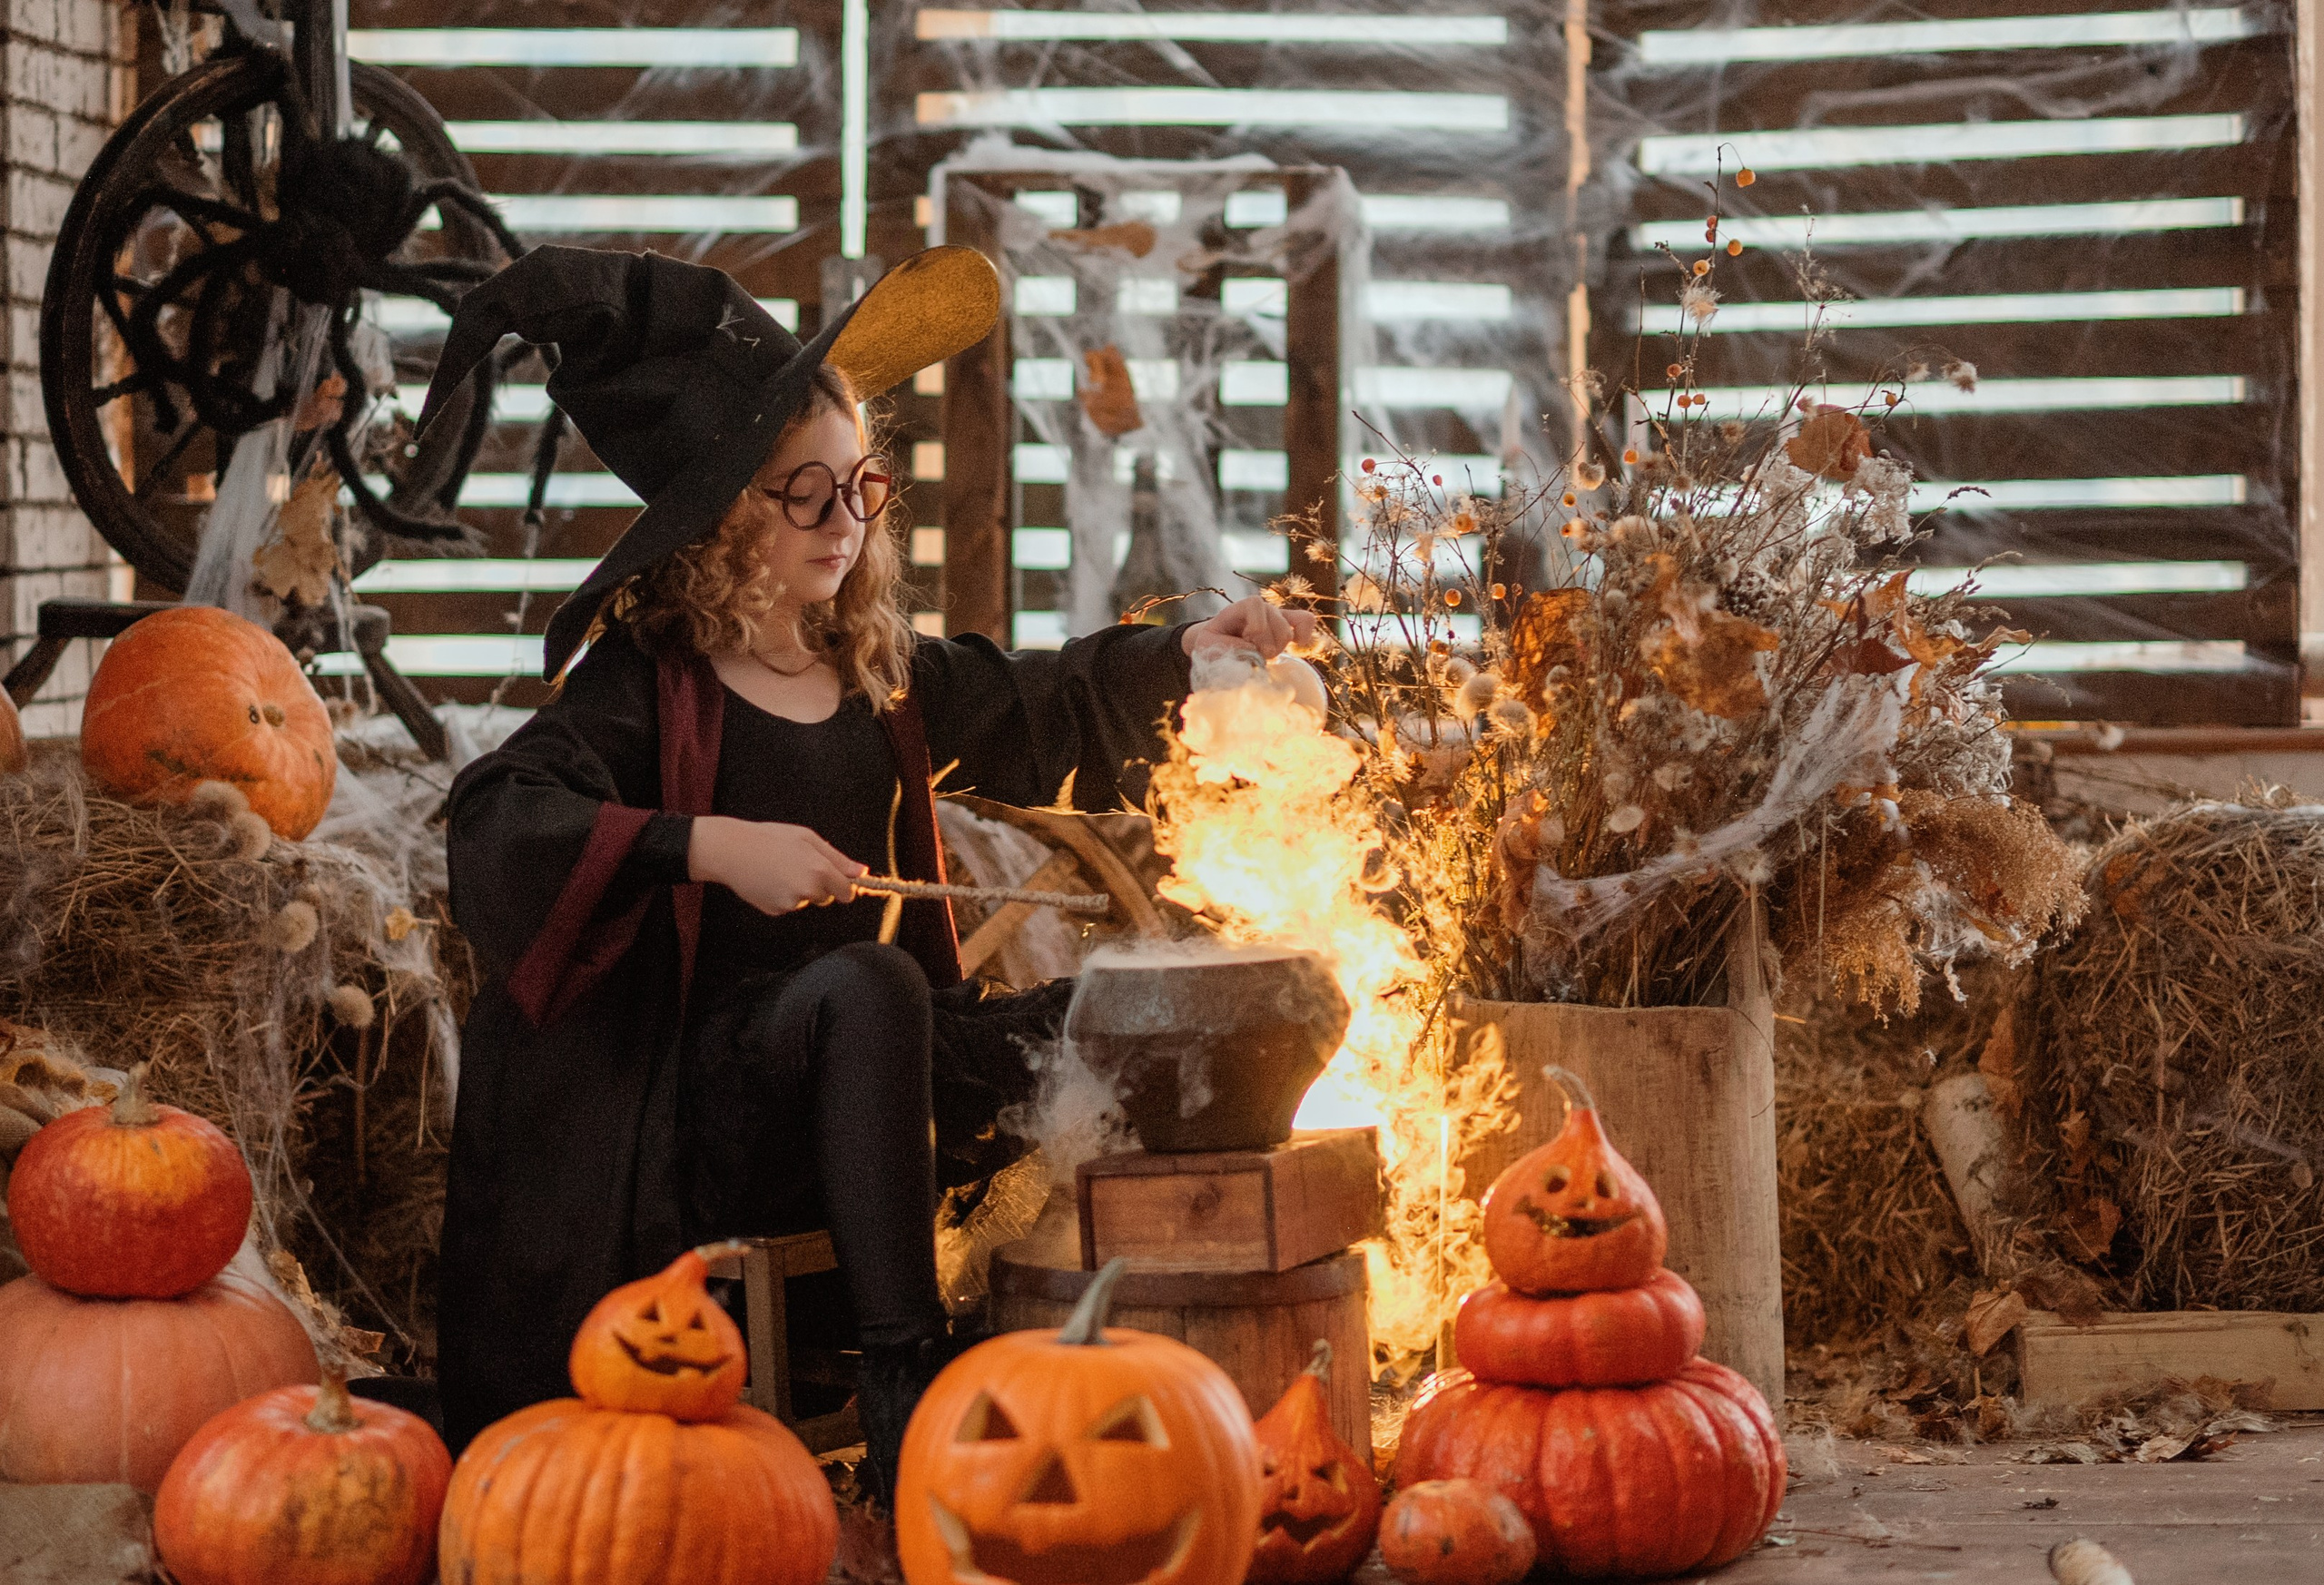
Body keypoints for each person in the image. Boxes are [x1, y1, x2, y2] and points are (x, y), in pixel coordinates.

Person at [426, 242, 1314, 1499]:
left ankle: (1183, 1344)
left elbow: (1039, 698)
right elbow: (499, 818)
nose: (848, 524)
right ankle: (911, 1383)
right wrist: (717, 849)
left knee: (1122, 1006)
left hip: (879, 1093)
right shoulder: (646, 693)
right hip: (709, 1120)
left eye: (863, 488)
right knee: (867, 987)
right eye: (806, 496)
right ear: (718, 516)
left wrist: (1183, 653)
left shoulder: (876, 679)